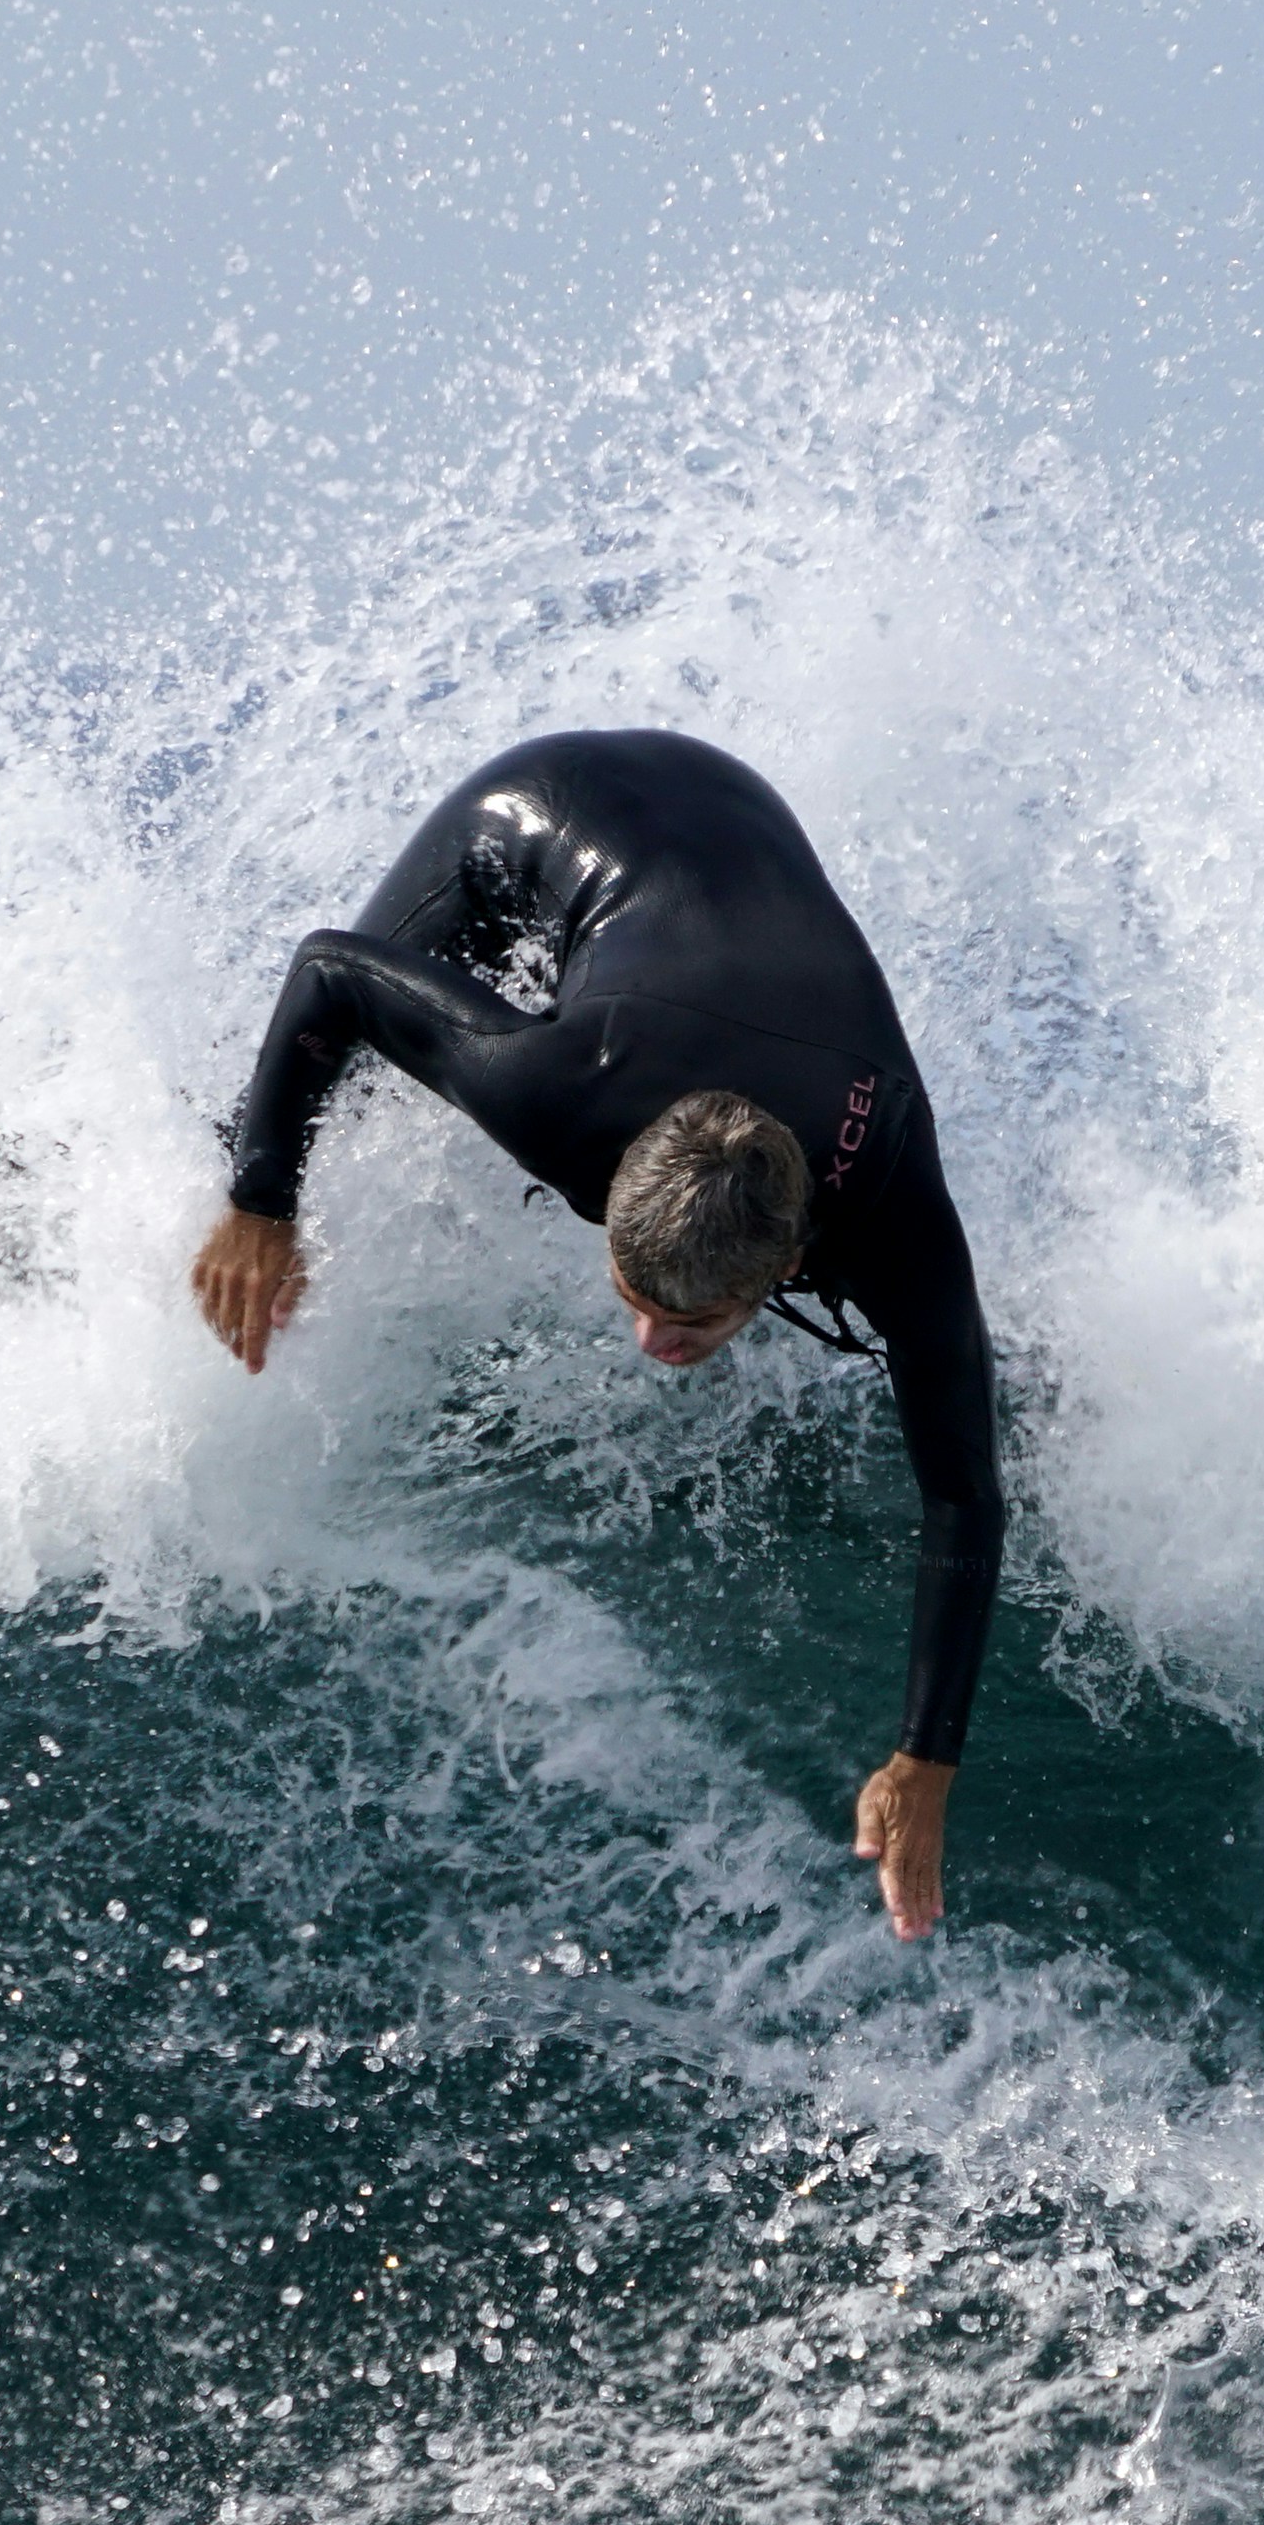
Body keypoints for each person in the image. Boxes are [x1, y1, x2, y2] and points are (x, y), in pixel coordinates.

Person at [189, 730, 1003, 1937]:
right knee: (318, 1093)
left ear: (788, 1264)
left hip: (737, 815)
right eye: (637, 1294)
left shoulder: (898, 1217)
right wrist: (261, 1202)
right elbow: (330, 971)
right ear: (608, 1184)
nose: (645, 1340)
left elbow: (965, 1495)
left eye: (690, 1322)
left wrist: (924, 1758)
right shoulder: (561, 1091)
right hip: (552, 815)